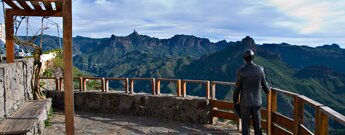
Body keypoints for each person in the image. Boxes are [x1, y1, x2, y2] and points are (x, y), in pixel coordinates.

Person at [233, 49, 270, 135]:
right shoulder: (260, 69)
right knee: (258, 125)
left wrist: (235, 103)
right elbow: (266, 88)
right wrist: (268, 90)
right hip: (257, 102)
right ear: (253, 57)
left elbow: (236, 89)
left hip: (245, 102)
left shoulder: (241, 71)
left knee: (245, 126)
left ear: (244, 58)